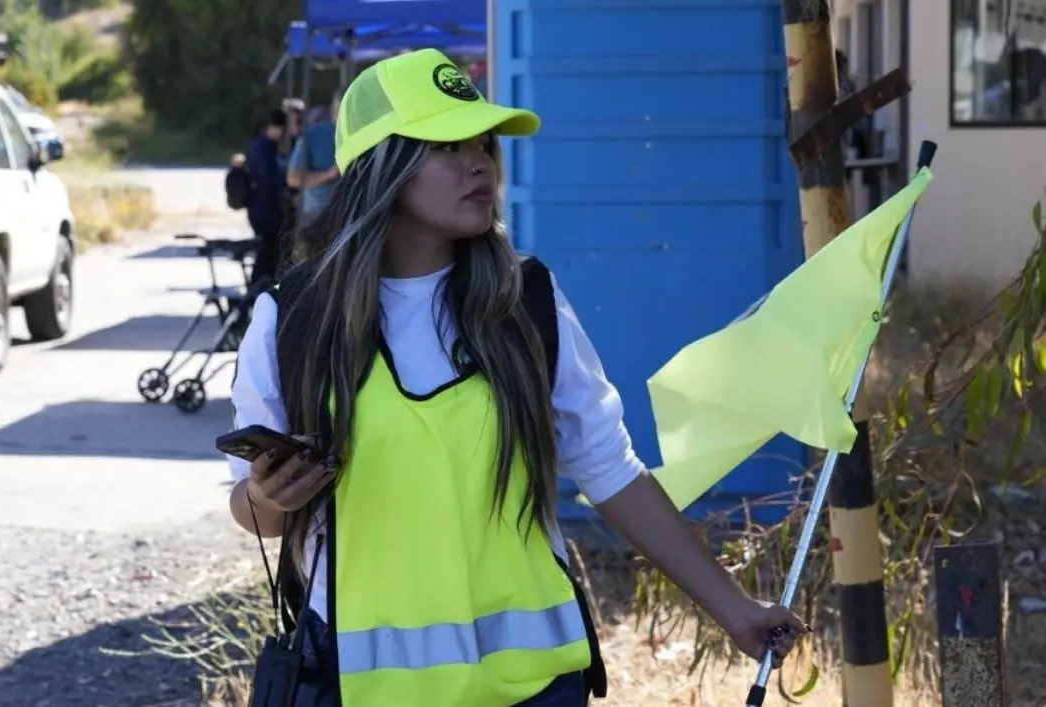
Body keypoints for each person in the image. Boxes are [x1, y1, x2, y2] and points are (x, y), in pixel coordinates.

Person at [226, 49, 807, 707]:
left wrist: (734, 609)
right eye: (447, 144)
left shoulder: (526, 300)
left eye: (483, 142)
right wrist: (271, 498)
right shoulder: (291, 318)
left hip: (537, 687)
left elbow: (610, 468)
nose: (480, 162)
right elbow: (254, 513)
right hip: (363, 687)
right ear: (380, 167)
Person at [244, 109, 289, 284]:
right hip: (265, 209)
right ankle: (257, 288)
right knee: (268, 251)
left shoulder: (259, 144)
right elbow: (270, 177)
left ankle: (258, 285)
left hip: (260, 208)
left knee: (268, 250)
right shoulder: (265, 147)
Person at [286, 92, 341, 224]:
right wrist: (329, 175)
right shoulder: (313, 135)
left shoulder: (368, 135)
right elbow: (293, 178)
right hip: (318, 218)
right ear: (333, 110)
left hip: (355, 218)